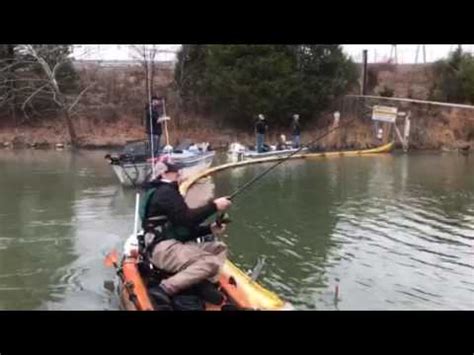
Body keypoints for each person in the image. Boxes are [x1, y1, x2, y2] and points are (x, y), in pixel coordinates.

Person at [140, 159, 232, 305]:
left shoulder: (165, 192)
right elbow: (186, 220)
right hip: (162, 249)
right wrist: (214, 206)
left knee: (218, 247)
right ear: (163, 173)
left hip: (169, 245)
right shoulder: (165, 192)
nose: (180, 173)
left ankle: (200, 282)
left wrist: (210, 228)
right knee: (210, 262)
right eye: (175, 171)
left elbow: (183, 230)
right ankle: (164, 288)